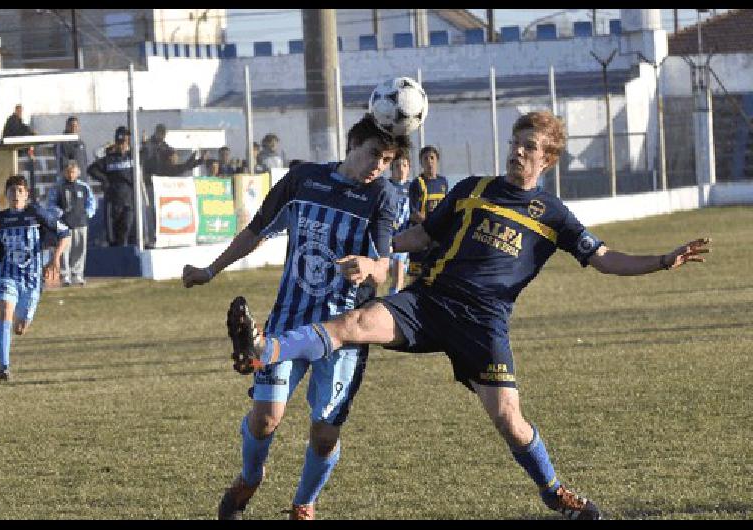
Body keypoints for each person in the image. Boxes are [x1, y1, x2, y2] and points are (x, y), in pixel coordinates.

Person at [225, 111, 713, 520]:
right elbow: (421, 238)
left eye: (528, 146)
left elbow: (605, 259)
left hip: (484, 324)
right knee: (355, 324)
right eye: (515, 142)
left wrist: (660, 261)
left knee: (509, 419)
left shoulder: (553, 214)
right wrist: (375, 252)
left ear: (547, 158)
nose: (517, 151)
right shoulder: (473, 188)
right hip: (431, 302)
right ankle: (264, 348)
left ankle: (552, 491)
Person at [182, 113, 411, 520]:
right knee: (266, 418)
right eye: (375, 154)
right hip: (288, 322)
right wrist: (210, 270)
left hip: (343, 333)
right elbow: (255, 230)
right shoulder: (303, 180)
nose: (379, 165)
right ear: (352, 144)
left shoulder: (383, 196)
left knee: (324, 434)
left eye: (387, 160)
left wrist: (368, 267)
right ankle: (250, 478)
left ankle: (304, 502)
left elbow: (387, 266)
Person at [0, 174, 70, 381]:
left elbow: (65, 233)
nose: (16, 195)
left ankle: (20, 324)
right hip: (7, 274)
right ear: (6, 195)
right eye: (11, 191)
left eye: (20, 191)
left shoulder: (37, 214)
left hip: (32, 278)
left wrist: (55, 259)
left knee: (20, 328)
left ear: (27, 194)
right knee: (5, 312)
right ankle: (3, 367)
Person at [47, 160, 96, 286]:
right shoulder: (58, 187)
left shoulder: (84, 187)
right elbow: (50, 204)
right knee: (64, 249)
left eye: (73, 172)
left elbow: (92, 202)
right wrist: (60, 214)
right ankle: (65, 275)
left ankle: (77, 274)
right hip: (64, 224)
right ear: (64, 172)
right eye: (68, 172)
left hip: (81, 223)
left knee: (79, 249)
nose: (71, 175)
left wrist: (88, 213)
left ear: (78, 172)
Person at [87, 126, 135, 247]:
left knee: (127, 230)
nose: (122, 145)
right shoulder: (109, 159)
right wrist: (105, 180)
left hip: (129, 201)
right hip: (114, 202)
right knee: (113, 235)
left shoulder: (133, 157)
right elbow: (91, 169)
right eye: (120, 142)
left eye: (124, 142)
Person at [407, 145, 448, 282]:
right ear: (421, 163)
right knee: (416, 277)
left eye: (432, 158)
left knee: (435, 274)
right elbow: (413, 213)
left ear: (437, 160)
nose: (429, 161)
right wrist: (430, 224)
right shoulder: (417, 184)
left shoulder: (443, 182)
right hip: (420, 235)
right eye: (425, 159)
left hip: (438, 237)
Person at [387, 153, 412, 295]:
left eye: (404, 165)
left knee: (399, 274)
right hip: (386, 234)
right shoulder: (386, 186)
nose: (401, 169)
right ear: (391, 168)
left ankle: (393, 300)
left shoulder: (412, 187)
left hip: (403, 235)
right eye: (397, 166)